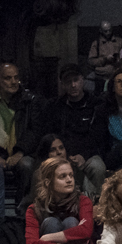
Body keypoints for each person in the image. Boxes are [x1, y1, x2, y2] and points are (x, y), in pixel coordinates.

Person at [0, 63, 40, 201]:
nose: (13, 82)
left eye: (16, 77)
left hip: (21, 151)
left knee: (27, 165)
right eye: (8, 78)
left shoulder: (29, 101)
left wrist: (20, 152)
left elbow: (34, 131)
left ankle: (22, 207)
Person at [41, 65, 108, 197]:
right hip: (62, 153)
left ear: (82, 80)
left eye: (76, 80)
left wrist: (84, 155)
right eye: (68, 82)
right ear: (62, 84)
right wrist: (64, 155)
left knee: (97, 167)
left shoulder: (96, 104)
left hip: (89, 154)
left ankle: (95, 207)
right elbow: (50, 135)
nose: (73, 85)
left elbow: (100, 137)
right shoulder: (54, 106)